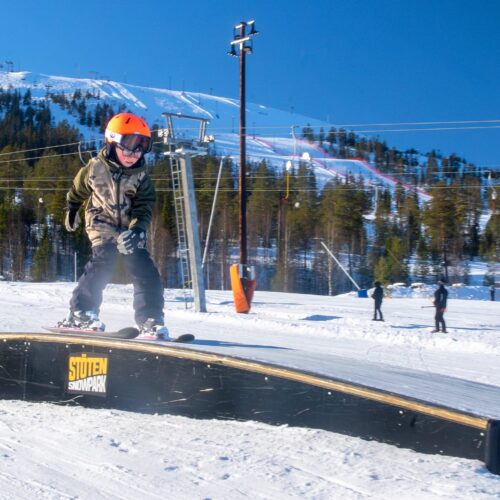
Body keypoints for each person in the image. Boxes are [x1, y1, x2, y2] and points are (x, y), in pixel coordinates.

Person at [59, 112, 169, 340]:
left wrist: (137, 230)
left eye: (141, 148)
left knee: (144, 268)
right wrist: (71, 207)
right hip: (101, 223)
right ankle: (82, 311)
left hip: (129, 230)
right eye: (127, 147)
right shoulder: (94, 167)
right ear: (111, 142)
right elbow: (78, 189)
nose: (133, 154)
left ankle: (151, 319)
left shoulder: (141, 177)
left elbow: (144, 206)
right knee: (105, 259)